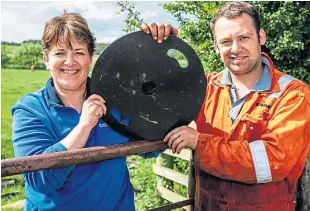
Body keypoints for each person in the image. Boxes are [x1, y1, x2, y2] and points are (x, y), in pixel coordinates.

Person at [142, 1, 310, 210]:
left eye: (244, 38)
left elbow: (271, 163)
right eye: (226, 41)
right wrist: (157, 46)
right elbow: (152, 100)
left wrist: (200, 143)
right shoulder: (205, 87)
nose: (235, 48)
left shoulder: (292, 94)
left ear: (261, 37)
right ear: (216, 45)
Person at [12, 12, 158, 211]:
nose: (70, 61)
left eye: (79, 52)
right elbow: (41, 179)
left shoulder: (116, 101)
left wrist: (156, 44)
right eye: (60, 53)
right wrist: (84, 126)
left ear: (91, 58)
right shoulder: (30, 110)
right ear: (46, 59)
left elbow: (151, 144)